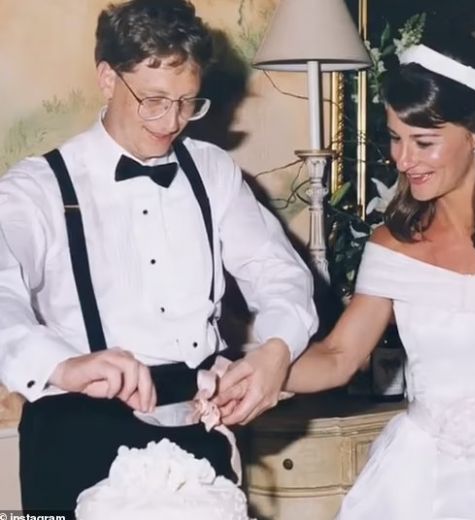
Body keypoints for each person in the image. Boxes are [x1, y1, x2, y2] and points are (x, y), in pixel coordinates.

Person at [217, 31, 475, 518]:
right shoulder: (390, 245)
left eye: (423, 142)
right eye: (396, 139)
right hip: (419, 477)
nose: (403, 159)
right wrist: (258, 369)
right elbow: (337, 356)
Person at [0, 0, 317, 512]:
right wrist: (62, 365)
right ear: (108, 79)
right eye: (153, 100)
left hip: (195, 432)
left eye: (187, 102)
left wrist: (275, 350)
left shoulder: (212, 172)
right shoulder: (37, 188)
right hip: (76, 435)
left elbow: (280, 274)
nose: (171, 122)